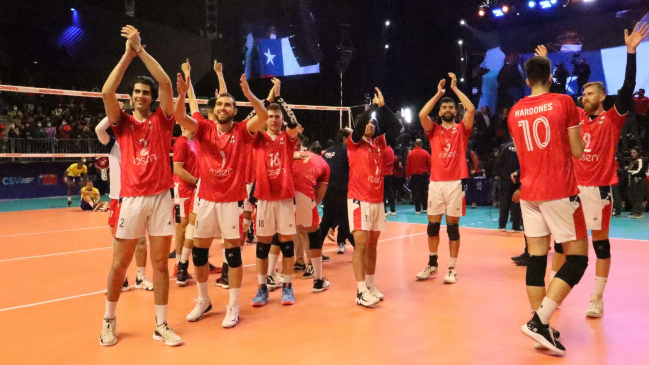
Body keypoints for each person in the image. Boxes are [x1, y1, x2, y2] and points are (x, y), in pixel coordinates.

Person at [545, 22, 647, 319]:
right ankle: (555, 290)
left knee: (600, 246)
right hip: (573, 189)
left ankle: (596, 298)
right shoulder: (578, 116)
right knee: (561, 244)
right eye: (584, 94)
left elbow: (627, 89)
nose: (584, 98)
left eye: (589, 94)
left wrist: (630, 53)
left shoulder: (612, 119)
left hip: (599, 190)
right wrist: (548, 66)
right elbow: (557, 95)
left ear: (601, 97)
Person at [99, 25, 181, 347]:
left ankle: (161, 324)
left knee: (160, 265)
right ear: (130, 98)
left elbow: (163, 81)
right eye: (136, 93)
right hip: (131, 200)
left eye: (145, 93)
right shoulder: (123, 125)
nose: (142, 96)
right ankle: (108, 319)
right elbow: (107, 92)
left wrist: (141, 50)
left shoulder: (163, 120)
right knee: (120, 263)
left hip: (161, 198)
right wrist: (126, 55)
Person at [510, 45, 588, 355]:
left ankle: (539, 323)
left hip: (530, 193)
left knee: (537, 259)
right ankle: (540, 321)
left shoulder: (515, 111)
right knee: (578, 258)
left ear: (527, 80)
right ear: (551, 77)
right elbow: (578, 151)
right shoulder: (564, 102)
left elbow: (522, 153)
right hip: (559, 190)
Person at [174, 68, 267, 327]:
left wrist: (248, 93)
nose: (224, 107)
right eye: (220, 104)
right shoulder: (203, 129)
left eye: (229, 104)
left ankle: (233, 306)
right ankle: (203, 300)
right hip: (205, 200)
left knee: (233, 255)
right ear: (214, 109)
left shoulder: (242, 131)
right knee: (199, 254)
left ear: (235, 110)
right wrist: (182, 94)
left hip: (232, 202)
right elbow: (180, 116)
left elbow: (261, 115)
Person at [416, 73, 475, 284]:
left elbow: (471, 109)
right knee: (432, 227)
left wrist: (455, 88)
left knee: (452, 228)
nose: (448, 110)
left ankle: (451, 268)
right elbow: (422, 115)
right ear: (439, 112)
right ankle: (432, 264)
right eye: (444, 107)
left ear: (455, 111)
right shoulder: (434, 131)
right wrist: (438, 94)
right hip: (436, 183)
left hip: (455, 182)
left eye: (451, 107)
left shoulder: (462, 130)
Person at [248, 78, 300, 306]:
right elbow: (249, 121)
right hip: (264, 198)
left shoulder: (287, 139)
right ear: (265, 119)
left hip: (285, 197)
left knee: (287, 243)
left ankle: (288, 286)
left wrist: (279, 98)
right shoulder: (257, 138)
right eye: (270, 116)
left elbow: (294, 121)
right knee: (262, 244)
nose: (274, 120)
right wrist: (267, 101)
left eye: (277, 117)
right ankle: (262, 288)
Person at [348, 88, 402, 307]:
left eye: (373, 123)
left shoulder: (379, 143)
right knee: (360, 244)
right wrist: (371, 109)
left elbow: (398, 126)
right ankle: (360, 291)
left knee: (372, 245)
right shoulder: (354, 143)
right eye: (367, 123)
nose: (370, 125)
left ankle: (370, 284)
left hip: (376, 200)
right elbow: (360, 124)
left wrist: (382, 108)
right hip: (359, 199)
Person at [96, 115, 154, 296]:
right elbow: (99, 129)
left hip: (135, 196)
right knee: (117, 240)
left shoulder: (141, 143)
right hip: (116, 196)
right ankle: (122, 279)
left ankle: (141, 277)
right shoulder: (112, 142)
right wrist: (115, 112)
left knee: (140, 239)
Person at [291, 135, 331, 291]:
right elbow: (321, 189)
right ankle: (313, 272)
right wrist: (314, 202)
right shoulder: (318, 161)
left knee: (285, 233)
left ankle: (273, 277)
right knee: (310, 231)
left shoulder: (280, 155)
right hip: (303, 197)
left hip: (280, 198)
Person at [320, 128, 355, 254]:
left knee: (326, 222)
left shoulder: (326, 153)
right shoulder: (347, 152)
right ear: (345, 139)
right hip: (342, 192)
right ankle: (360, 249)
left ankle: (315, 250)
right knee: (346, 221)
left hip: (327, 192)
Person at [172, 124, 199, 287]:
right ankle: (179, 265)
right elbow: (178, 169)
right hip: (184, 189)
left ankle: (189, 259)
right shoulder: (182, 142)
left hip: (196, 189)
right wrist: (197, 182)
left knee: (195, 226)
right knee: (183, 226)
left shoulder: (194, 141)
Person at [493, 140, 521, 231]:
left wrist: (503, 177)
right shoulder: (523, 148)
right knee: (517, 203)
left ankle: (502, 226)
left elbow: (497, 165)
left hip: (506, 180)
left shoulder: (505, 147)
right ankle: (516, 227)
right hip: (518, 180)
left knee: (504, 203)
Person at [405, 139, 430, 214]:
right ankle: (425, 208)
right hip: (424, 175)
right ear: (421, 144)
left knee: (415, 192)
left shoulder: (410, 154)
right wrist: (428, 171)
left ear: (415, 144)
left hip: (414, 175)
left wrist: (408, 175)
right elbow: (429, 164)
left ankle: (417, 209)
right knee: (424, 191)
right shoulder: (426, 153)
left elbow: (408, 165)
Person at [627, 146, 647, 218]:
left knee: (639, 196)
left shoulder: (640, 160)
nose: (632, 154)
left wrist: (630, 172)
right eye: (631, 152)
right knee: (632, 196)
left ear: (637, 153)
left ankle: (639, 213)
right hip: (633, 180)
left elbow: (640, 170)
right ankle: (634, 211)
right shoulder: (632, 161)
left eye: (634, 152)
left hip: (640, 180)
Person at [383, 143, 397, 215]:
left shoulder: (382, 150)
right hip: (390, 173)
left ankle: (384, 211)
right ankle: (393, 210)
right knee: (390, 191)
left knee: (383, 193)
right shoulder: (391, 150)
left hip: (382, 173)